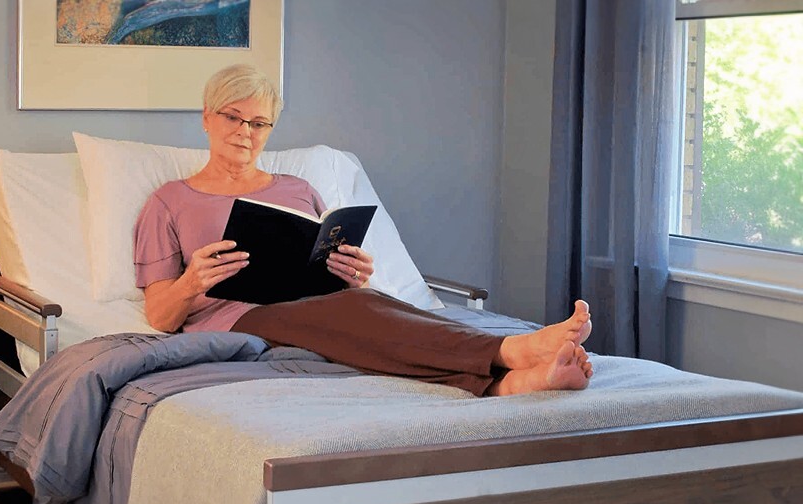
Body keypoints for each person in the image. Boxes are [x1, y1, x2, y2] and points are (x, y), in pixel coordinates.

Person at [134, 64, 593, 397]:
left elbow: (324, 265)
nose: (245, 132)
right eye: (233, 117)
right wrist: (193, 283)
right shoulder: (170, 201)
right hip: (239, 318)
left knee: (371, 304)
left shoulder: (299, 189)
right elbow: (160, 316)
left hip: (321, 304)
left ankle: (515, 384)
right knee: (350, 316)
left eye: (259, 123)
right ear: (207, 118)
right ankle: (511, 350)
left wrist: (352, 274)